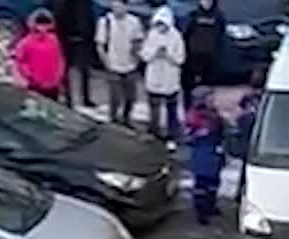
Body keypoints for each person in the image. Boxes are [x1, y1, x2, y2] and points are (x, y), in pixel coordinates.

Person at [95, 0, 143, 127]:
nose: (116, 9)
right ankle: (114, 119)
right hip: (113, 65)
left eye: (119, 6)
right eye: (114, 7)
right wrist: (106, 62)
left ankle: (126, 118)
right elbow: (100, 45)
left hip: (130, 65)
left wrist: (137, 57)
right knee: (115, 97)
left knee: (131, 97)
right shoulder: (105, 22)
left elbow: (138, 42)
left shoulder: (134, 22)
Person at [143, 5, 185, 143]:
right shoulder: (152, 34)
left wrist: (168, 55)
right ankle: (154, 131)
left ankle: (173, 133)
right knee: (154, 107)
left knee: (171, 108)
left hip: (170, 80)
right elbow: (144, 55)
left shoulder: (176, 37)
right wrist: (155, 53)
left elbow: (180, 59)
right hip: (154, 78)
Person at [185, 86, 225, 225]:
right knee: (202, 183)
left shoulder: (213, 114)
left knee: (214, 181)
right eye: (210, 98)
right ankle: (201, 211)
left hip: (213, 152)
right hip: (202, 153)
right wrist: (199, 134)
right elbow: (189, 135)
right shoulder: (195, 116)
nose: (213, 100)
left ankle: (211, 205)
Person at [14, 9, 66, 100]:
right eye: (40, 24)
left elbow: (60, 58)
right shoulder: (26, 42)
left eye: (45, 24)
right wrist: (30, 76)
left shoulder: (54, 40)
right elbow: (20, 61)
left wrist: (59, 76)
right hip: (36, 85)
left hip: (53, 85)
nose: (43, 27)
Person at [55, 0, 97, 107]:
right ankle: (68, 98)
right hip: (67, 37)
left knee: (84, 69)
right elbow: (59, 16)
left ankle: (85, 97)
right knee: (66, 69)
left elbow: (89, 17)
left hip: (83, 38)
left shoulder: (85, 3)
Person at [181, 0, 224, 102]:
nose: (206, 2)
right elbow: (186, 35)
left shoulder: (218, 17)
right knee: (188, 87)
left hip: (210, 59)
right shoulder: (193, 15)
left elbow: (221, 37)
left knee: (207, 90)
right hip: (192, 58)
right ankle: (189, 110)